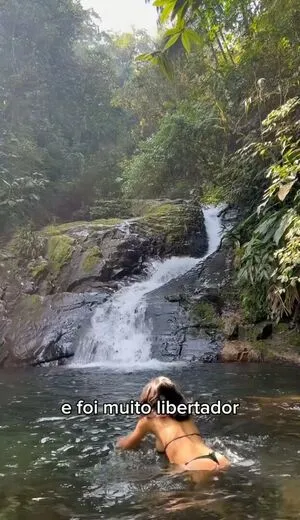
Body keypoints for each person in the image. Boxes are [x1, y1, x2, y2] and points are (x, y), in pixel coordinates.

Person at [117, 376, 230, 472]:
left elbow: (127, 445)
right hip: (218, 458)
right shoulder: (186, 413)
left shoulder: (148, 420)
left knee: (154, 498)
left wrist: (118, 442)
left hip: (194, 465)